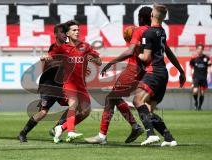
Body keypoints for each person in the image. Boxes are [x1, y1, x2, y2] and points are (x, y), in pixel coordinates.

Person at [84, 6, 153, 145]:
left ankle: (102, 136)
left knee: (110, 99)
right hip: (145, 71)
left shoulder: (138, 31)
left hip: (132, 69)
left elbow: (131, 51)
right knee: (115, 98)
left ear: (140, 18)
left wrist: (111, 63)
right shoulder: (154, 32)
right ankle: (136, 127)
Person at [133, 4, 185, 146]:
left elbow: (146, 58)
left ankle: (151, 135)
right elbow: (167, 52)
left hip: (153, 72)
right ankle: (169, 138)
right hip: (163, 74)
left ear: (152, 16)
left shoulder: (148, 33)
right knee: (148, 111)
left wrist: (135, 50)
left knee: (137, 101)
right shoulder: (162, 31)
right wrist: (181, 71)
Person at [52, 20, 102, 143]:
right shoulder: (62, 48)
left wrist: (94, 60)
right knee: (73, 104)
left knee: (85, 112)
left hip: (81, 85)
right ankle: (71, 132)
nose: (77, 32)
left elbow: (99, 61)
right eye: (74, 30)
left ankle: (61, 127)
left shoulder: (85, 46)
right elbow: (52, 59)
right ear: (67, 33)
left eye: (78, 30)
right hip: (69, 83)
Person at [17, 23, 68, 143]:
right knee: (43, 112)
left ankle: (57, 128)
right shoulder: (54, 47)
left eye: (66, 32)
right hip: (49, 85)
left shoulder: (69, 47)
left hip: (61, 85)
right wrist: (48, 58)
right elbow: (51, 56)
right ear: (56, 34)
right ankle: (23, 133)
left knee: (76, 106)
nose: (65, 34)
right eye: (62, 32)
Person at [190, 44, 211, 110]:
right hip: (196, 77)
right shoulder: (194, 58)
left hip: (203, 77)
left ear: (202, 50)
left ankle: (199, 106)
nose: (200, 50)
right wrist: (191, 76)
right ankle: (196, 102)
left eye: (201, 49)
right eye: (198, 49)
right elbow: (191, 67)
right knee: (195, 91)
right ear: (196, 50)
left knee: (202, 93)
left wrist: (209, 75)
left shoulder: (206, 58)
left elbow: (209, 66)